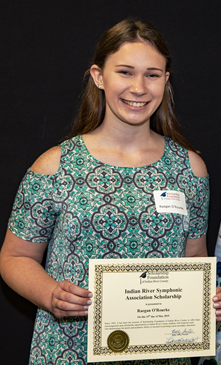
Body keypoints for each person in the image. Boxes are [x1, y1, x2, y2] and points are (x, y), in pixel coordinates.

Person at [0, 18, 219, 365]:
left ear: (165, 80)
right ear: (99, 76)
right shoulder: (55, 166)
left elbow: (194, 261)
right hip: (68, 351)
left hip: (161, 355)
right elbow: (14, 258)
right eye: (126, 72)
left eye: (152, 74)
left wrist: (209, 299)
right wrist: (49, 294)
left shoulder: (190, 169)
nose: (139, 87)